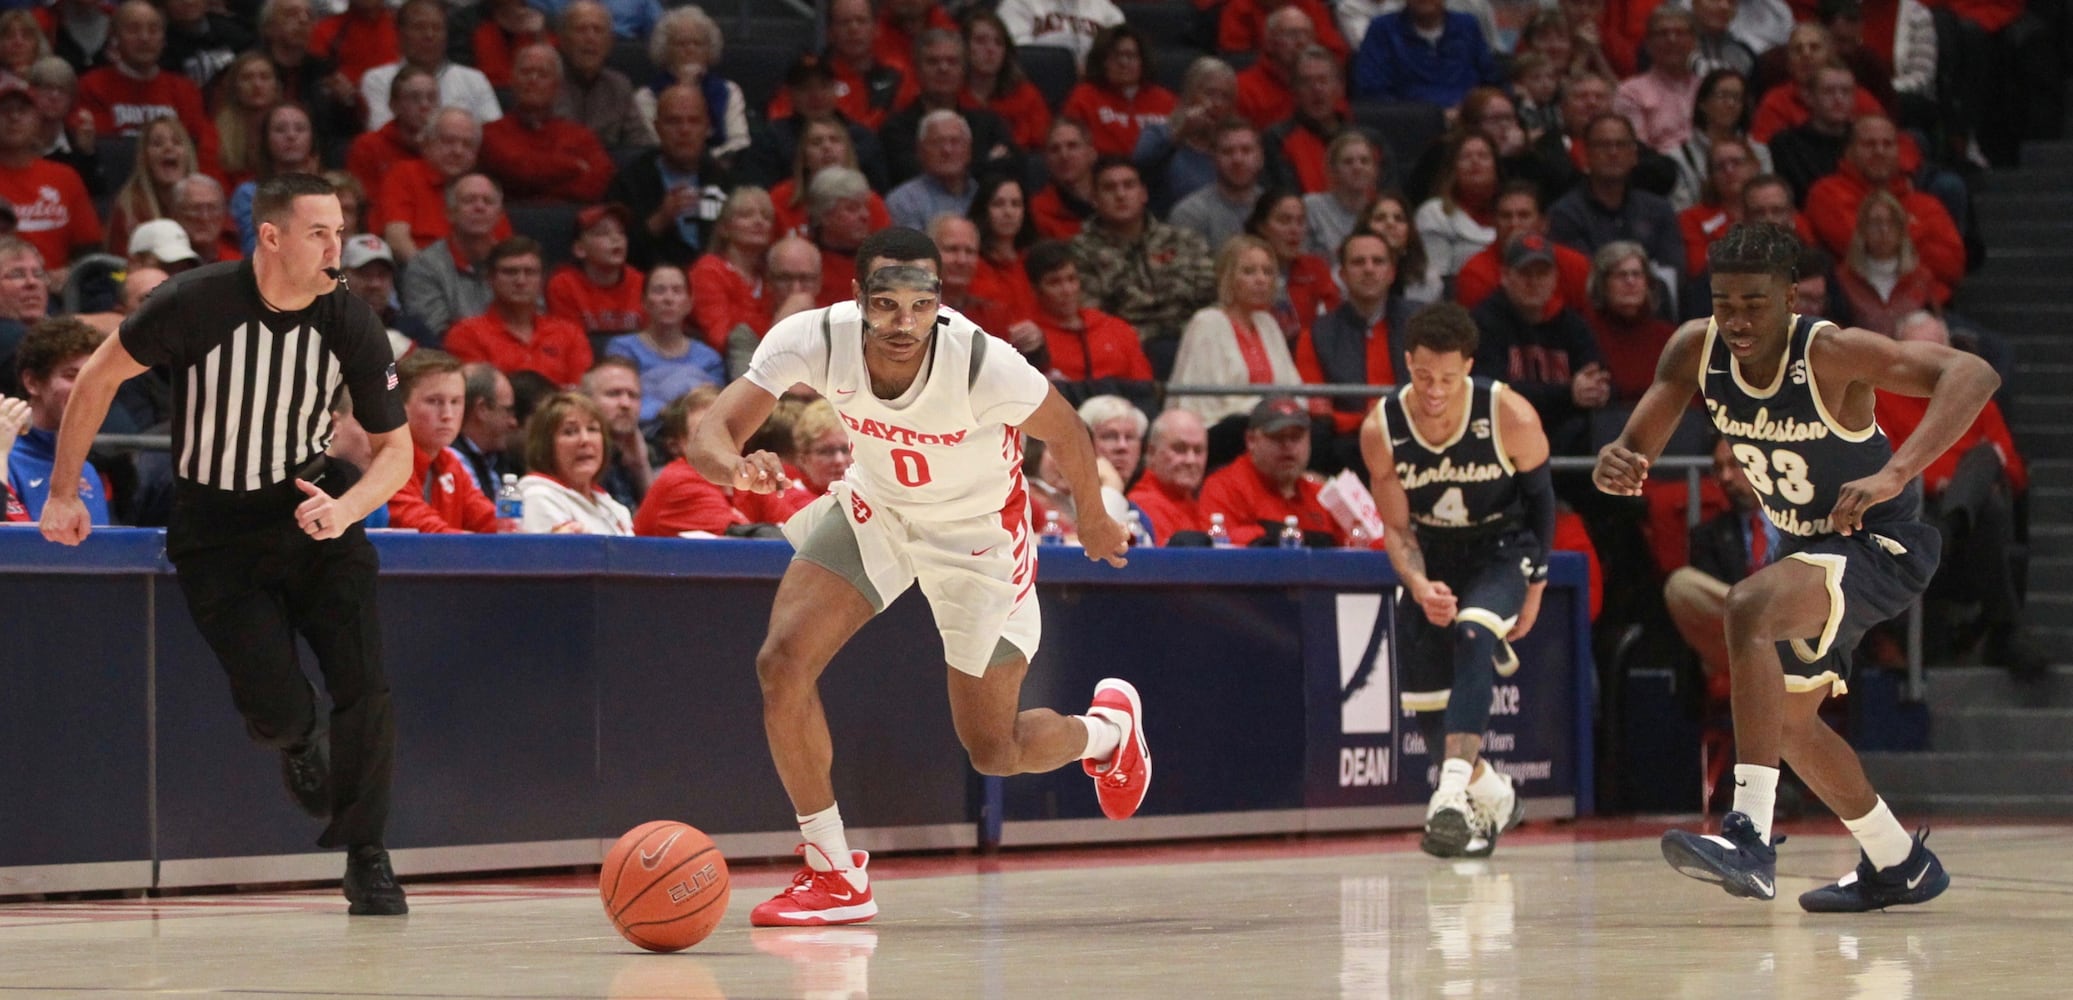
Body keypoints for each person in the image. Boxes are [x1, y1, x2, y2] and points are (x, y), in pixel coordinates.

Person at [684, 226, 1148, 926]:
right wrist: (735, 468)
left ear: (939, 301)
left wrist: (1094, 516)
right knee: (781, 663)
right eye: (886, 304)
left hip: (978, 539)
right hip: (880, 508)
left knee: (995, 751)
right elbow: (711, 432)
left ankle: (1108, 734)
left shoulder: (981, 363)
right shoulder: (813, 336)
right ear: (857, 299)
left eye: (920, 304)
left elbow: (1068, 432)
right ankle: (832, 871)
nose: (904, 323)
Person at [1593, 222, 1998, 911]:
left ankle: (1748, 833)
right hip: (1801, 548)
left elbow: (1972, 373)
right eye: (1724, 302)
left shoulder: (1832, 352)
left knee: (1746, 605)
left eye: (1754, 303)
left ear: (1790, 299)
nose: (1737, 319)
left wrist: (1896, 471)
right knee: (1786, 724)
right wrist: (1618, 460)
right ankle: (1896, 861)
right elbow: (1637, 443)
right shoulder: (1695, 347)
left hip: (1875, 542)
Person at [40, 173, 413, 915]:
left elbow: (395, 450)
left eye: (339, 231)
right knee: (275, 708)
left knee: (365, 685)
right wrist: (62, 488)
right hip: (216, 526)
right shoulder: (195, 302)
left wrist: (347, 509)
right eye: (318, 233)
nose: (335, 247)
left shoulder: (349, 318)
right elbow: (97, 377)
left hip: (313, 505)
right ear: (270, 237)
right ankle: (299, 734)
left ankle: (367, 856)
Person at [1361, 301, 1552, 856]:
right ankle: (1494, 797)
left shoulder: (1508, 414)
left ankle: (1447, 799)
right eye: (1423, 376)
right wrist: (1419, 586)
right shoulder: (1383, 428)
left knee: (1473, 629)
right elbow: (1396, 531)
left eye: (1447, 377)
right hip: (1433, 553)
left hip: (1501, 547)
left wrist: (1535, 584)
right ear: (1407, 364)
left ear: (1469, 366)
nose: (1435, 389)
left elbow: (1541, 503)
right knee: (1427, 715)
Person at [1664, 435, 1774, 698]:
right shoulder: (1708, 535)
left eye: (1735, 465)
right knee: (1681, 585)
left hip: (1799, 637)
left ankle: (1770, 631)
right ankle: (1764, 632)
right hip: (1741, 646)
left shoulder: (1804, 524)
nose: (1725, 477)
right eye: (1718, 469)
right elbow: (1715, 618)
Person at [1169, 235, 1304, 430]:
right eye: (1249, 272)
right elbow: (1200, 403)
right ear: (1228, 276)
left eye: (1267, 272)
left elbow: (1293, 387)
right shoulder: (1207, 322)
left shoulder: (1268, 323)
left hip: (1272, 424)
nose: (1261, 280)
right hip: (1223, 427)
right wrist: (1261, 409)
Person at [444, 236, 595, 386]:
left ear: (542, 280)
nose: (520, 281)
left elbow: (583, 393)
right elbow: (482, 395)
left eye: (530, 272)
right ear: (490, 279)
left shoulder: (570, 333)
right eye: (510, 272)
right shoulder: (466, 334)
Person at [6, 317, 113, 522]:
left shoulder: (88, 470)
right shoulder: (5, 459)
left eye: (91, 377)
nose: (85, 389)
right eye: (71, 375)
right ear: (32, 382)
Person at [1198, 394, 1338, 546]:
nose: (1288, 446)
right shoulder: (1224, 489)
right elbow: (1222, 552)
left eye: (1296, 437)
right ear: (1251, 440)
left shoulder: (1324, 496)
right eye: (1277, 437)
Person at [384, 349, 496, 534]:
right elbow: (425, 532)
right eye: (434, 401)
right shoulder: (387, 461)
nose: (447, 415)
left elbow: (490, 521)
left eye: (455, 401)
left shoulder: (450, 463)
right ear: (400, 406)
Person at [604, 263, 724, 425]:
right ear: (644, 301)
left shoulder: (709, 358)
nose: (668, 299)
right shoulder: (623, 349)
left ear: (689, 302)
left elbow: (716, 408)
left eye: (677, 291)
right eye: (659, 291)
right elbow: (620, 401)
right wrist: (670, 412)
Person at [1025, 240, 1151, 385]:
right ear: (1034, 290)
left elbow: (1145, 389)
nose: (1067, 290)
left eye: (1072, 279)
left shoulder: (1116, 329)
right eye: (1054, 283)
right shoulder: (1029, 340)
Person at [516, 390, 634, 534]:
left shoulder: (615, 509)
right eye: (570, 432)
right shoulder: (538, 497)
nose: (585, 440)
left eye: (592, 429)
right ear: (546, 445)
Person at [633, 385, 744, 537]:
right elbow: (746, 542)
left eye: (728, 429)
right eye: (703, 434)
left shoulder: (746, 476)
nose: (720, 441)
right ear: (679, 445)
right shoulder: (680, 481)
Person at [546, 204, 647, 342]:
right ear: (580, 249)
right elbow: (568, 343)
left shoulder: (642, 283)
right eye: (603, 233)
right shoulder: (564, 285)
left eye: (621, 232)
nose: (616, 239)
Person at [1167, 118, 1265, 254]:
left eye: (1246, 150)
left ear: (1260, 158)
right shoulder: (1189, 214)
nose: (1237, 159)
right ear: (1213, 159)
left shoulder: (1274, 209)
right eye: (1227, 152)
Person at [1126, 407, 1210, 545]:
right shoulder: (1144, 507)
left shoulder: (1193, 500)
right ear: (1152, 453)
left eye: (1198, 451)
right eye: (1179, 449)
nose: (1191, 460)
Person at [580, 356, 651, 509]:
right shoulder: (576, 455)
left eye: (633, 396)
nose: (625, 404)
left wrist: (641, 467)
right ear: (586, 400)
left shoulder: (644, 449)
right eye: (613, 394)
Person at [453, 362, 516, 498]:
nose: (513, 422)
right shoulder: (451, 461)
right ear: (482, 409)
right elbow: (476, 516)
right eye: (507, 411)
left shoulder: (501, 458)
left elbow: (510, 514)